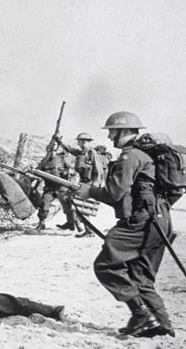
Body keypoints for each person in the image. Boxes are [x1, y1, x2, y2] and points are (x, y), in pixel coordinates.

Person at [73, 111, 176, 337]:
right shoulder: (146, 155)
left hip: (143, 220)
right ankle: (162, 324)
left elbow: (114, 192)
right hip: (161, 220)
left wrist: (88, 191)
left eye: (112, 131)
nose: (109, 136)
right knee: (141, 277)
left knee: (105, 265)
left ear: (125, 131)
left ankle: (141, 314)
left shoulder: (130, 156)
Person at [55, 132, 104, 237]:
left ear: (84, 141)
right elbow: (70, 149)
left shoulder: (92, 153)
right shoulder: (82, 152)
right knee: (80, 207)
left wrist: (95, 186)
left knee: (84, 208)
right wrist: (60, 142)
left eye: (79, 141)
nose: (78, 143)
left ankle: (89, 231)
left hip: (90, 184)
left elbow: (99, 171)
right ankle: (88, 230)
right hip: (84, 182)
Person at [34, 151, 76, 231]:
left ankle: (70, 223)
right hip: (49, 188)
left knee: (68, 206)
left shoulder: (62, 159)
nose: (52, 153)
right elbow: (37, 171)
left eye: (54, 151)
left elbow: (72, 171)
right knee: (44, 205)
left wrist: (68, 172)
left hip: (61, 187)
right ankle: (41, 223)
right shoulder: (44, 161)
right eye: (50, 151)